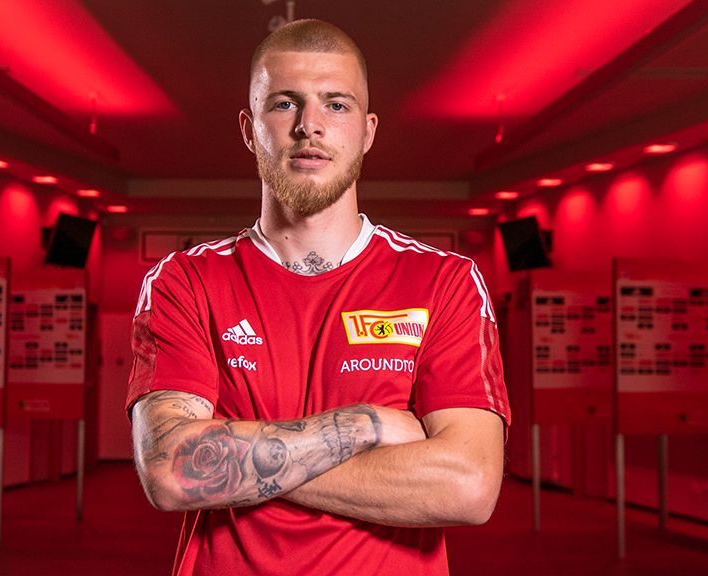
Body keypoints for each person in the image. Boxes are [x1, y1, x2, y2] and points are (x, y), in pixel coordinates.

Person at [127, 19, 510, 576]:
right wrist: (367, 427)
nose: (310, 126)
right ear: (247, 127)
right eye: (285, 104)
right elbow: (170, 471)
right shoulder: (183, 282)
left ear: (368, 130)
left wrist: (239, 463)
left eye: (337, 105)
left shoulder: (445, 281)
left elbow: (468, 484)